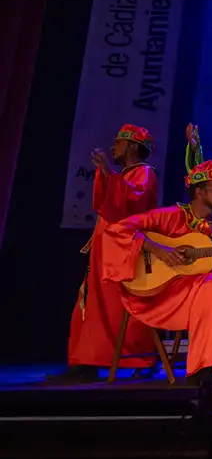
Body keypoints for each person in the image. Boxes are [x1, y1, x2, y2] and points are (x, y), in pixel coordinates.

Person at [102, 160, 212, 381]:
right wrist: (157, 248)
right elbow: (117, 230)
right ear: (199, 191)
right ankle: (206, 369)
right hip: (166, 294)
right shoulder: (171, 216)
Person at [62, 124, 160, 381]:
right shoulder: (125, 174)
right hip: (105, 249)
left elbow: (132, 203)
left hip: (124, 250)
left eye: (118, 142)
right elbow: (102, 204)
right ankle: (86, 360)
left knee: (122, 306)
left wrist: (109, 173)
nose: (113, 147)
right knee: (92, 305)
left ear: (131, 146)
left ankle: (142, 357)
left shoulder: (145, 173)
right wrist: (107, 175)